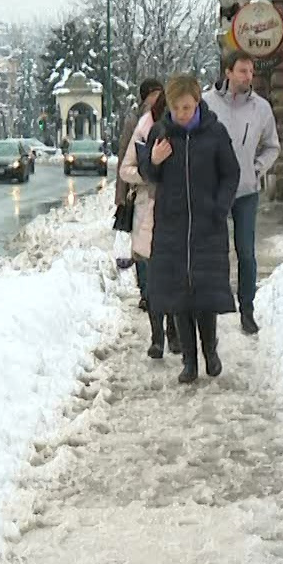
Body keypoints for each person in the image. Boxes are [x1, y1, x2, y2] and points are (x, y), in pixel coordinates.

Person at [138, 74, 240, 384]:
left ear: (197, 103)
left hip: (207, 225)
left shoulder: (215, 133)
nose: (182, 114)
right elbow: (147, 173)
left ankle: (210, 351)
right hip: (172, 226)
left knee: (204, 292)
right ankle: (189, 361)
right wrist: (153, 160)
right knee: (178, 295)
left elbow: (230, 173)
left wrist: (219, 207)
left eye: (187, 107)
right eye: (177, 108)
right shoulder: (161, 133)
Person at [202, 50, 280, 336]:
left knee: (246, 252)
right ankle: (213, 306)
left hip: (247, 190)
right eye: (243, 71)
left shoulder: (261, 108)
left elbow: (273, 146)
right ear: (228, 72)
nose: (249, 77)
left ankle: (247, 309)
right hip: (214, 190)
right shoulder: (207, 103)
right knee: (215, 251)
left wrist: (257, 168)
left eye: (251, 72)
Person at [119, 79, 178, 360]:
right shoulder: (143, 129)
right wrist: (147, 172)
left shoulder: (189, 132)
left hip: (179, 210)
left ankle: (175, 330)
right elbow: (125, 169)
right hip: (150, 209)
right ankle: (157, 336)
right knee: (154, 278)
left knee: (176, 276)